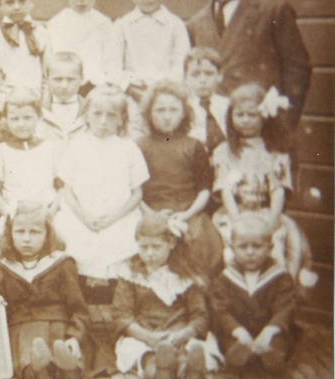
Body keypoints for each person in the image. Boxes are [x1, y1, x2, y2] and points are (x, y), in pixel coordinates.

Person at [186, 0, 311, 126]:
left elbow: (297, 72)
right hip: (217, 128)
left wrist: (283, 123)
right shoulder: (195, 23)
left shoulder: (273, 12)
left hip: (262, 125)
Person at [211, 83, 315, 287]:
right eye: (240, 114)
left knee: (279, 245)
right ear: (231, 117)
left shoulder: (275, 152)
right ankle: (235, 292)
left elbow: (277, 191)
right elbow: (226, 191)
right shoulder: (224, 151)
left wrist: (272, 221)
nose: (245, 120)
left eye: (252, 114)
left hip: (265, 213)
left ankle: (278, 291)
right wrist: (237, 219)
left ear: (265, 116)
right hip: (234, 213)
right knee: (228, 250)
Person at [0, 202, 94, 379]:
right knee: (26, 356)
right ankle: (41, 375)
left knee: (62, 347)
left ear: (47, 234)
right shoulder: (3, 267)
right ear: (10, 234)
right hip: (21, 327)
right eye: (20, 232)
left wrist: (75, 335)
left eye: (35, 232)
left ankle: (68, 372)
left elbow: (78, 306)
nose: (27, 239)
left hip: (57, 324)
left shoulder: (61, 263)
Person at [55, 87, 149, 297]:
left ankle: (112, 296)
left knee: (119, 241)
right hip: (81, 214)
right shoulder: (77, 145)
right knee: (74, 237)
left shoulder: (129, 148)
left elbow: (137, 193)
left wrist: (114, 218)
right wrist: (84, 218)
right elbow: (67, 190)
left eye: (111, 115)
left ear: (121, 119)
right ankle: (82, 296)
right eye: (97, 114)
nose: (103, 121)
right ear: (86, 114)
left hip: (118, 216)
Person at [111, 211, 214, 379]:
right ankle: (159, 374)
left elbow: (200, 315)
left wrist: (183, 334)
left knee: (189, 350)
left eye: (156, 247)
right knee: (140, 353)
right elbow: (122, 315)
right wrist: (147, 336)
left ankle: (188, 373)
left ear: (171, 243)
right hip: (145, 333)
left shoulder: (185, 275)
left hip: (178, 333)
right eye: (144, 247)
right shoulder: (130, 273)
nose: (150, 253)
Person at [138, 80, 223, 277]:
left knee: (198, 242)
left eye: (173, 110)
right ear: (149, 113)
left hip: (188, 212)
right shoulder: (140, 146)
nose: (167, 116)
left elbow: (204, 190)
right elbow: (135, 191)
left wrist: (186, 214)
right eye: (160, 110)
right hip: (150, 212)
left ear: (184, 113)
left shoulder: (194, 146)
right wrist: (152, 215)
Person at [209, 212, 300, 379]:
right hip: (239, 332)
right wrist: (237, 331)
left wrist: (269, 331)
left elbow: (286, 307)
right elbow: (220, 310)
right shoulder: (225, 278)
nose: (250, 252)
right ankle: (235, 365)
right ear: (232, 247)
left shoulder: (279, 276)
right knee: (229, 342)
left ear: (269, 247)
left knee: (280, 343)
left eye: (257, 246)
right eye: (243, 247)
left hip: (269, 331)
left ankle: (275, 363)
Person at [108, 0, 191, 102]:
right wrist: (130, 87)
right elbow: (113, 66)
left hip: (166, 93)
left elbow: (180, 64)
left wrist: (161, 88)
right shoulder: (122, 26)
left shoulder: (175, 25)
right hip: (132, 93)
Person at [0, 88, 61, 219]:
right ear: (6, 120)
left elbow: (62, 188)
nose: (21, 124)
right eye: (14, 119)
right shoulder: (0, 151)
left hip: (47, 213)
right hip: (12, 214)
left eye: (27, 118)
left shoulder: (51, 147)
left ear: (40, 117)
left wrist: (50, 214)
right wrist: (9, 215)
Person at [47, 0, 113, 92]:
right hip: (66, 85)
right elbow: (55, 57)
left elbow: (110, 60)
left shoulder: (104, 23)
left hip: (97, 85)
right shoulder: (57, 23)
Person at [184, 46, 229, 154]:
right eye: (195, 74)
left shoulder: (228, 106)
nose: (202, 80)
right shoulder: (184, 108)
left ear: (220, 76)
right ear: (185, 78)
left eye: (209, 73)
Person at [37, 52, 86, 143]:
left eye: (71, 79)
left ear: (82, 79)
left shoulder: (89, 110)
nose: (64, 86)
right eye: (58, 79)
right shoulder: (37, 110)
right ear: (46, 79)